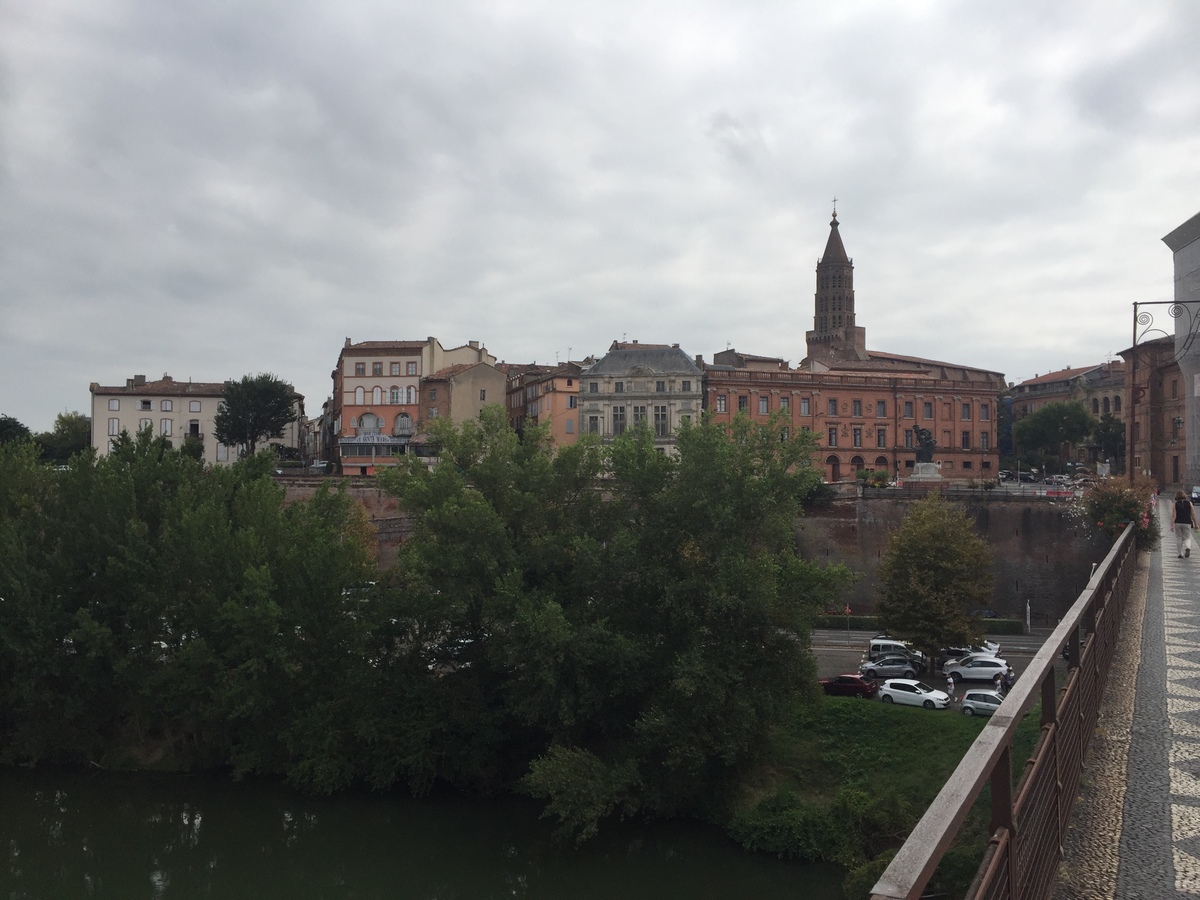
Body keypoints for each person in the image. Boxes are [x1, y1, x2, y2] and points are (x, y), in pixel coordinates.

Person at [1172, 490, 1199, 558]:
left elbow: (1173, 515)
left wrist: (1171, 525)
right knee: (1187, 537)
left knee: (1179, 538)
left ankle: (1180, 553)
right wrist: (1196, 524)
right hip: (1187, 522)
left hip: (1178, 522)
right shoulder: (1189, 503)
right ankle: (1187, 548)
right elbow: (1193, 515)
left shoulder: (1175, 504)